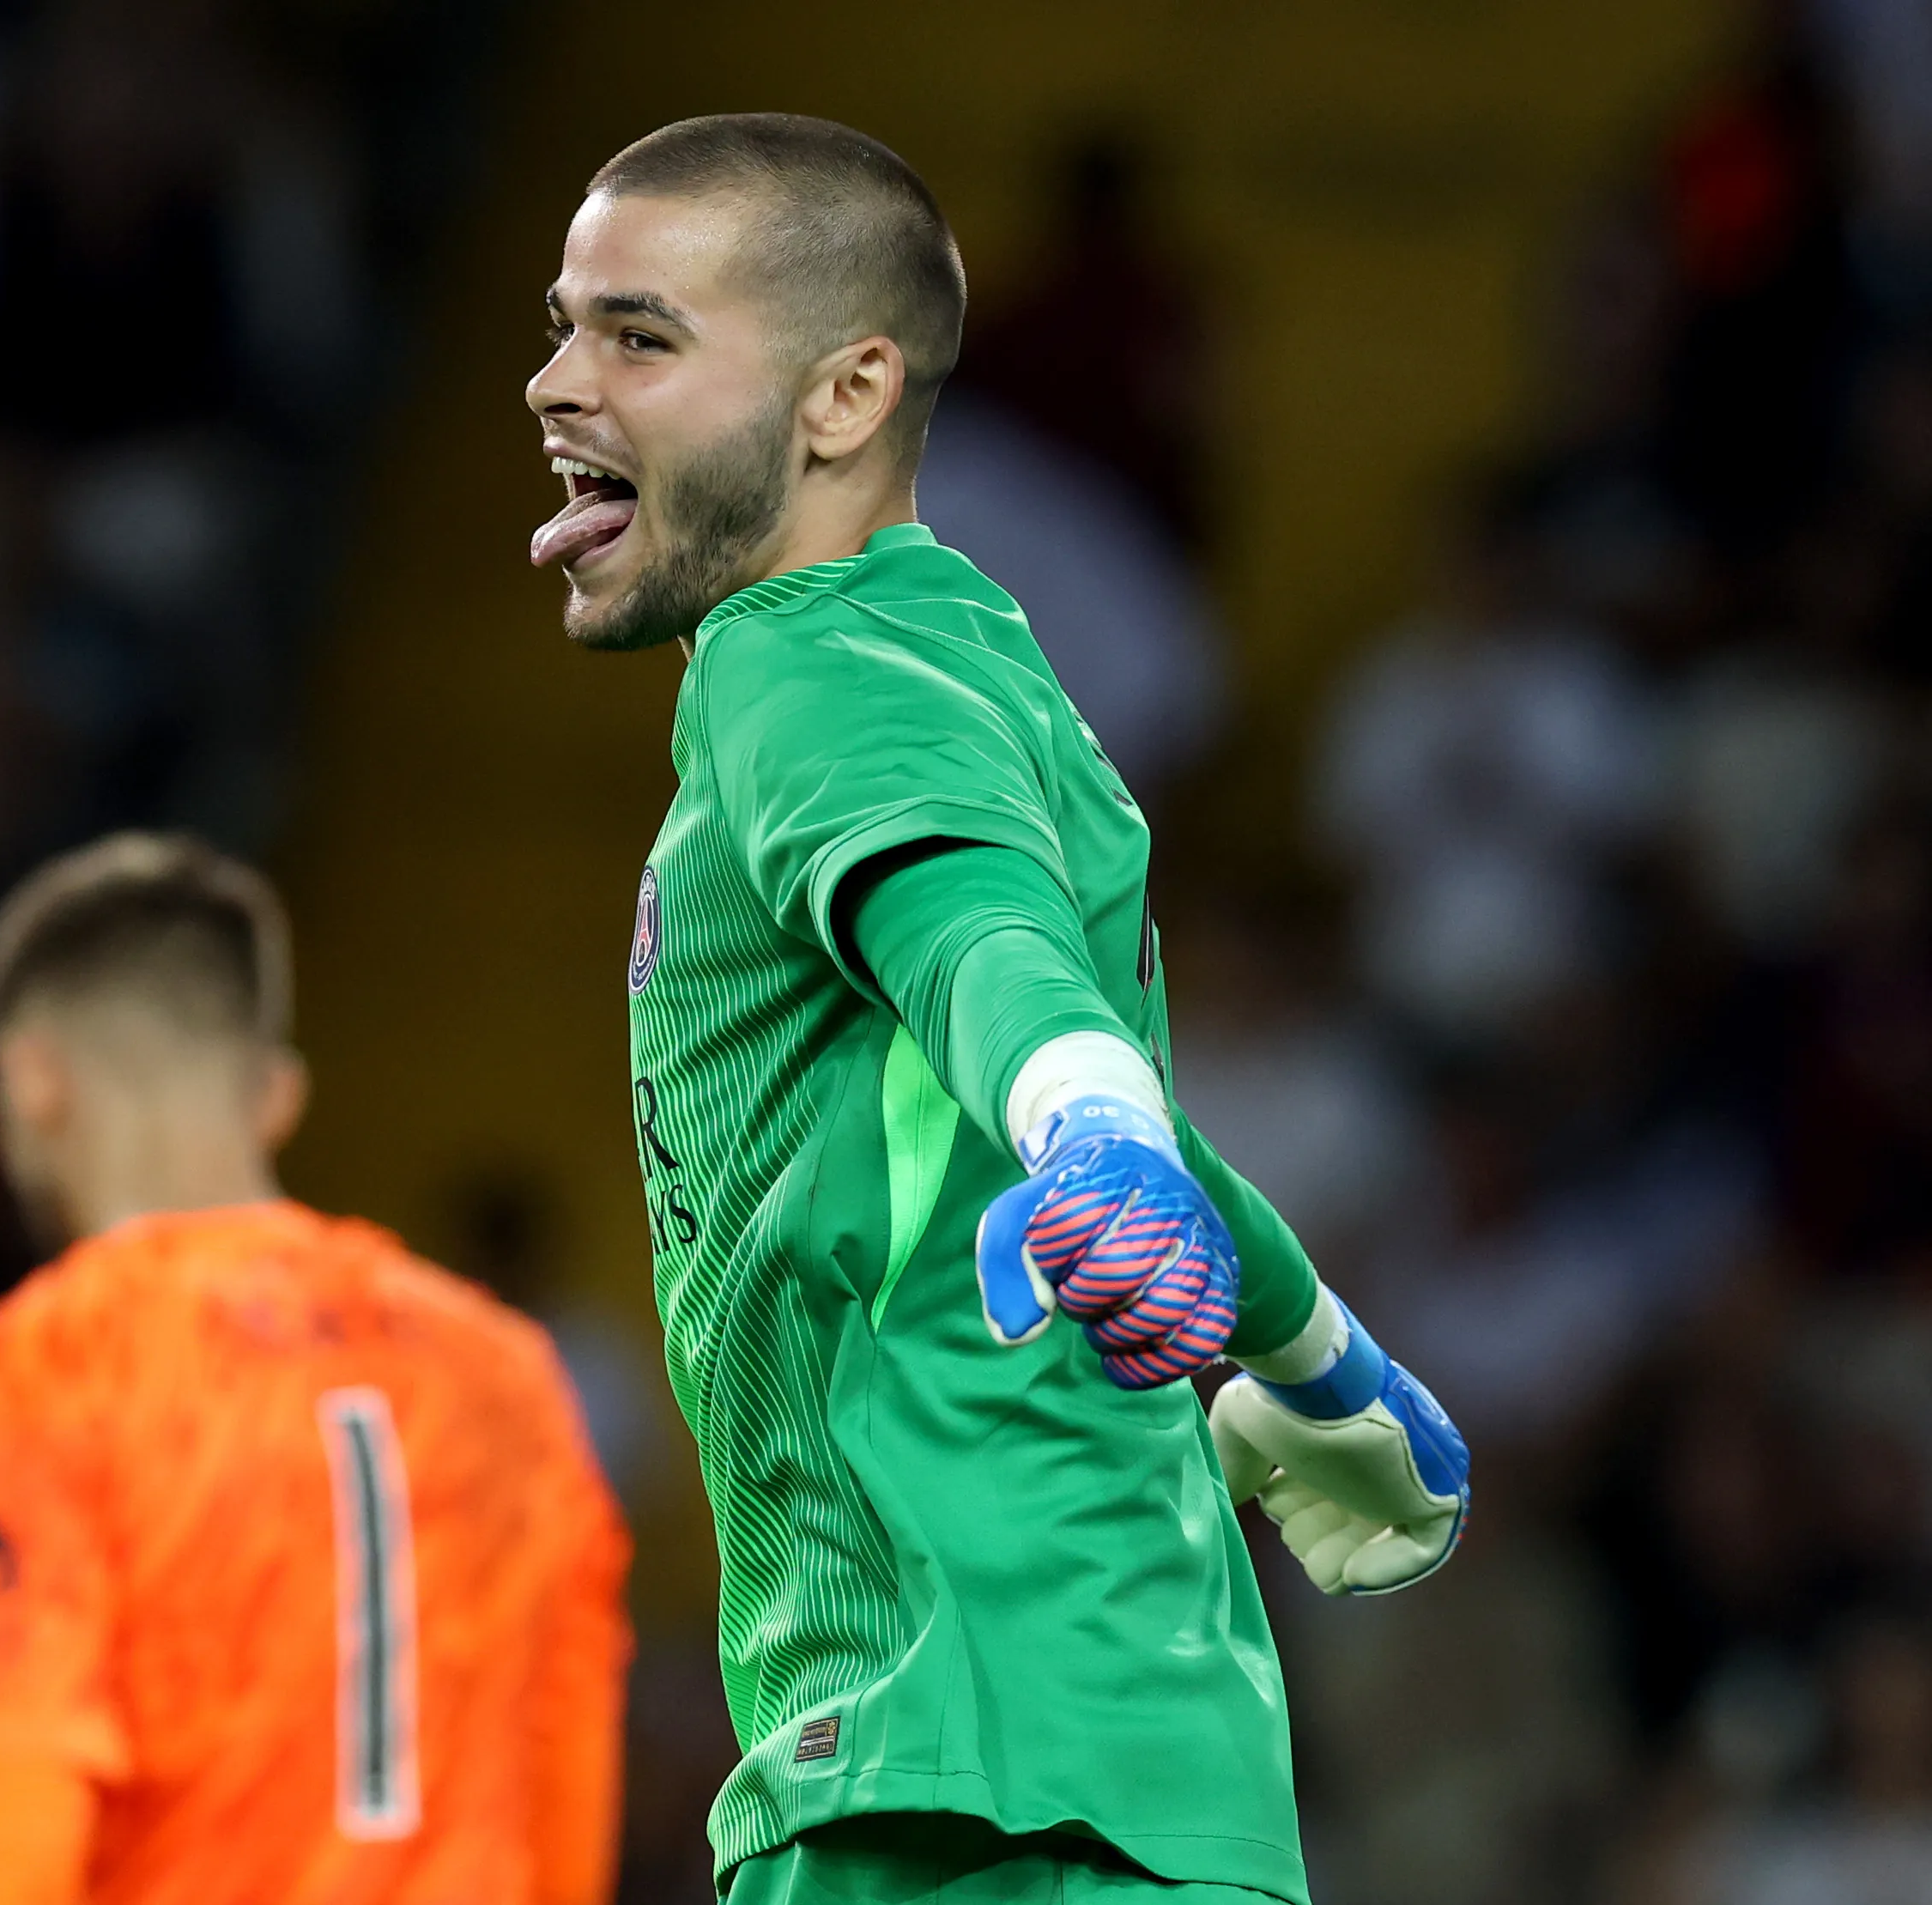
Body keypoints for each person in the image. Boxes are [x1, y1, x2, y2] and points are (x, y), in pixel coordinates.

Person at [524, 114, 1471, 1905]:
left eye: (637, 336)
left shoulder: (798, 663)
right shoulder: (977, 663)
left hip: (946, 1791)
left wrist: (1095, 1137)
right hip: (1143, 1771)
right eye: (562, 325)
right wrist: (1306, 1344)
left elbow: (988, 963)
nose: (557, 381)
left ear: (840, 396)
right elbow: (1058, 1055)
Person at [0, 832, 631, 1905]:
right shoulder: (508, 1371)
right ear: (274, 1096)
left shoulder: (42, 1363)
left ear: (33, 1080)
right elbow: (561, 1796)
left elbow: (11, 1795)